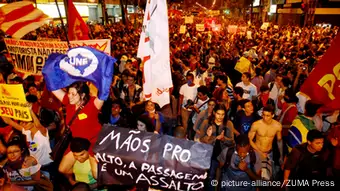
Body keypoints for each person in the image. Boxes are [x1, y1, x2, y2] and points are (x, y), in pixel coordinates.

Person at [51, 82, 104, 180]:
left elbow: (104, 93)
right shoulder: (69, 102)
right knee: (62, 169)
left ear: (83, 95)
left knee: (97, 176)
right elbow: (52, 86)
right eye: (68, 93)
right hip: (77, 143)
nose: (69, 96)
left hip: (93, 143)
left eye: (73, 94)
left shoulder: (93, 103)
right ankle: (79, 181)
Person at [248, 105, 283, 180]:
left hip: (269, 153)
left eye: (268, 115)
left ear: (273, 115)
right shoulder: (256, 124)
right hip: (257, 152)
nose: (265, 117)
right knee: (256, 176)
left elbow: (279, 141)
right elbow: (249, 140)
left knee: (267, 176)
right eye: (263, 115)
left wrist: (281, 155)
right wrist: (260, 153)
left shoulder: (278, 126)